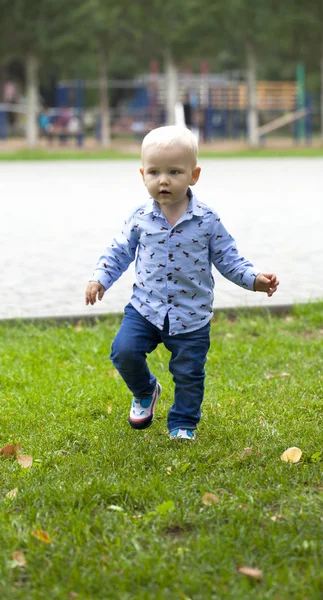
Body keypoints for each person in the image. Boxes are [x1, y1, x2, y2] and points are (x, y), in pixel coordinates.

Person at [85, 126, 279, 441]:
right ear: (142, 174)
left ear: (194, 175)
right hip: (145, 309)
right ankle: (146, 391)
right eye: (155, 172)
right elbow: (119, 251)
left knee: (189, 375)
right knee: (123, 351)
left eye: (174, 172)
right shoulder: (139, 218)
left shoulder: (207, 220)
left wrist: (255, 280)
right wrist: (100, 278)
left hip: (192, 314)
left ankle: (182, 424)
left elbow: (229, 259)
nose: (164, 180)